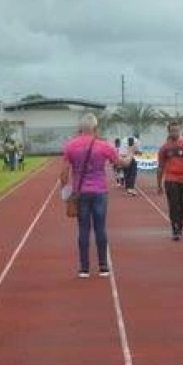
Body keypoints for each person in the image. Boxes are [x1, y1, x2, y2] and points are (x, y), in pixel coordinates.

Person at [60, 112, 125, 277]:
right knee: (100, 228)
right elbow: (120, 163)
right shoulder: (104, 145)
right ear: (95, 127)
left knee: (83, 229)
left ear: (80, 128)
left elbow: (64, 174)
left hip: (80, 192)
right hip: (99, 191)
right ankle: (103, 266)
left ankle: (84, 268)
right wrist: (130, 154)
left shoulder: (70, 145)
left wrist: (66, 193)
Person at [157, 121, 183, 240]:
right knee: (173, 205)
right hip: (170, 179)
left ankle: (180, 222)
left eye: (177, 130)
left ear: (180, 131)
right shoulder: (164, 148)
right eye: (173, 131)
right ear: (169, 131)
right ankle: (175, 228)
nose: (175, 133)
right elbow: (160, 166)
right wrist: (159, 185)